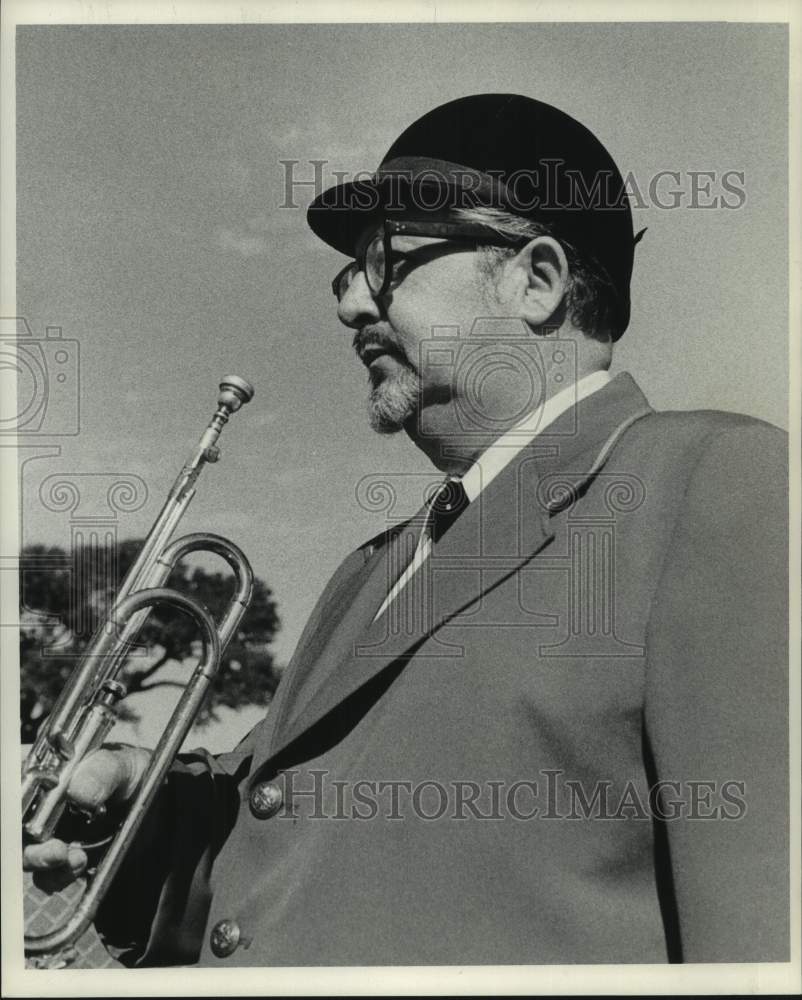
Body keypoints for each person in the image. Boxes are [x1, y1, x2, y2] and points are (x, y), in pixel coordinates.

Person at [24, 94, 788, 967]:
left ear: (536, 281)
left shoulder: (712, 483)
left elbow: (765, 932)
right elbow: (272, 855)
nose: (352, 307)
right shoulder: (371, 568)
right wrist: (125, 809)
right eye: (349, 275)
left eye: (384, 263)